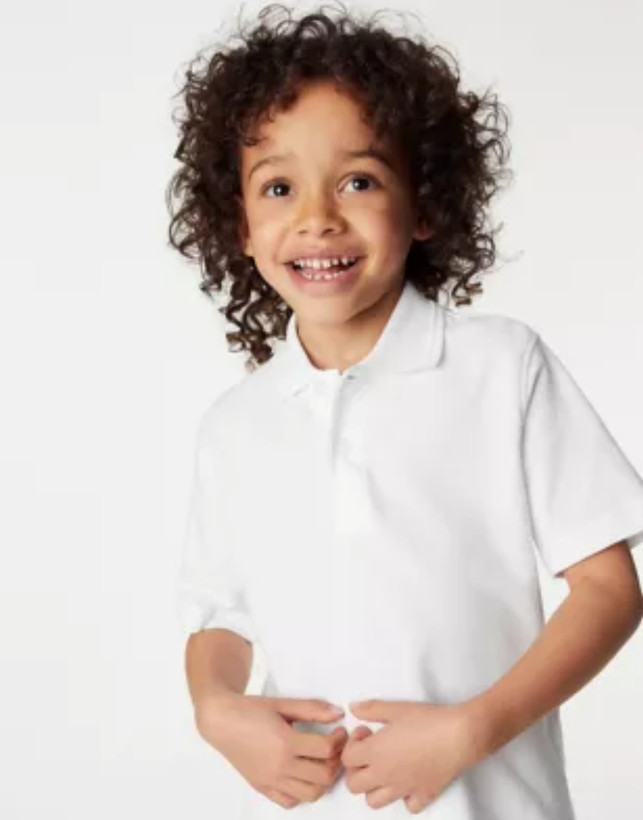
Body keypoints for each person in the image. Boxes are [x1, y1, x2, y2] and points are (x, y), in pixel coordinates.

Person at [166, 4, 643, 818]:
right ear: (239, 224)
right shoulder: (235, 424)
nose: (316, 216)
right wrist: (216, 710)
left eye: (357, 180)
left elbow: (607, 588)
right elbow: (221, 616)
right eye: (278, 187)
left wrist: (471, 729)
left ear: (422, 204)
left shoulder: (499, 367)